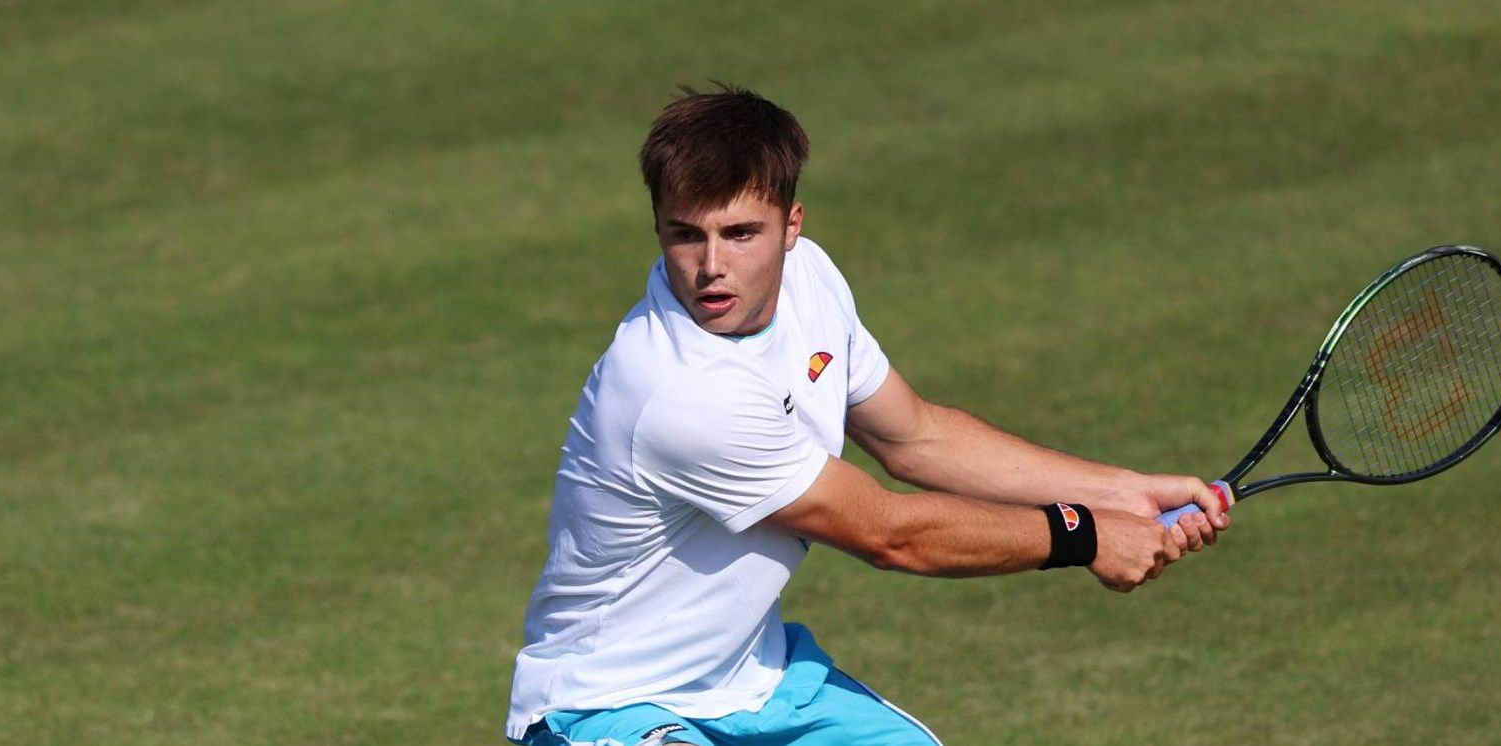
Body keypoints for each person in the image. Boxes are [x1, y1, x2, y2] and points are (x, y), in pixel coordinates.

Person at [504, 85, 1232, 746]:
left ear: (792, 227)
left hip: (758, 682)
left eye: (741, 234)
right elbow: (892, 535)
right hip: (609, 707)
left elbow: (916, 435)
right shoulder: (679, 389)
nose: (710, 266)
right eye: (685, 235)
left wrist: (1119, 493)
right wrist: (1082, 535)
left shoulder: (811, 282)